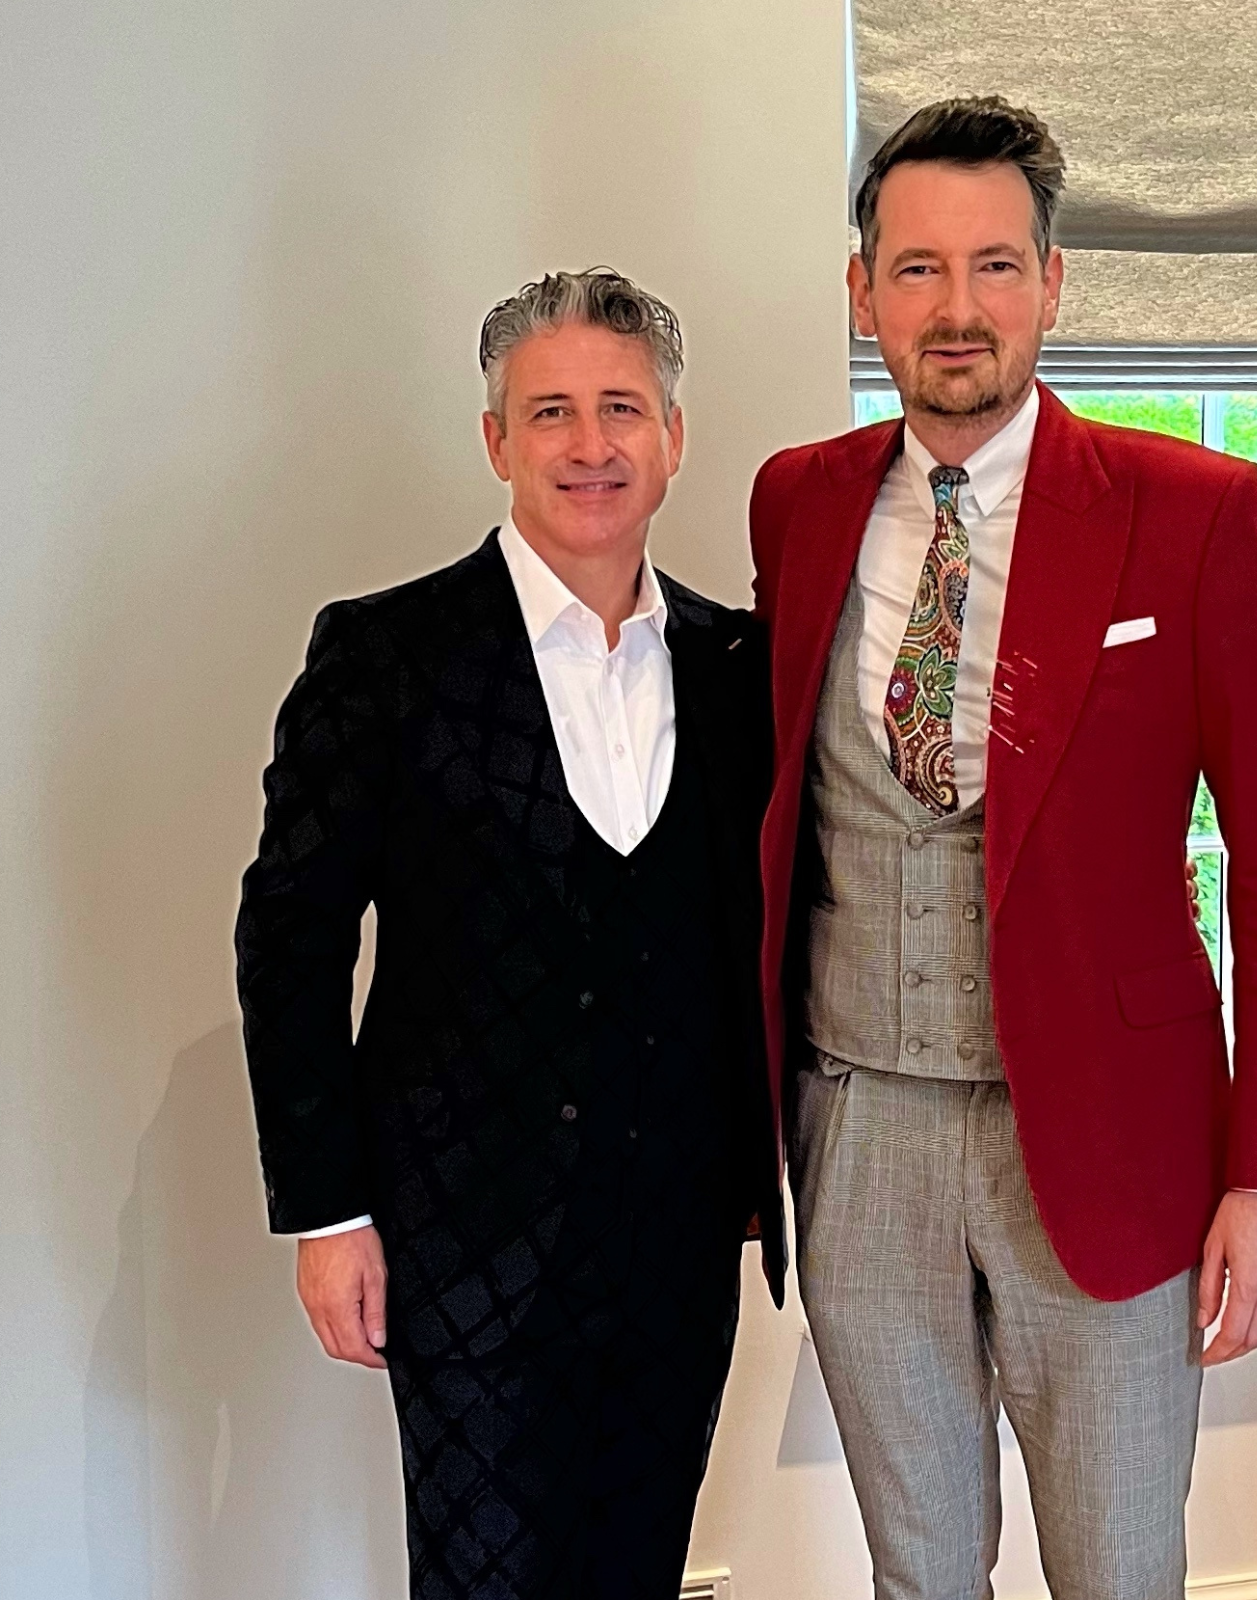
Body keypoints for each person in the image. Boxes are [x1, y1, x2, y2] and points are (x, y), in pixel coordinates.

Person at [750, 98, 1257, 1599]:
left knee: (1120, 1571)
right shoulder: (799, 502)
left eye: (996, 266)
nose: (958, 309)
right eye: (919, 268)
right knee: (917, 1575)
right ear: (864, 291)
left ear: (1054, 284)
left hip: (1108, 1140)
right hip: (859, 1128)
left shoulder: (1195, 512)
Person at [236, 269, 782, 1600]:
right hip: (461, 1239)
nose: (591, 444)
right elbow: (291, 936)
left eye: (622, 408)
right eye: (551, 412)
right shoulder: (386, 655)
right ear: (496, 440)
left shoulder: (738, 668)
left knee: (638, 1569)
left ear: (673, 436)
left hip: (678, 1237)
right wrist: (328, 1212)